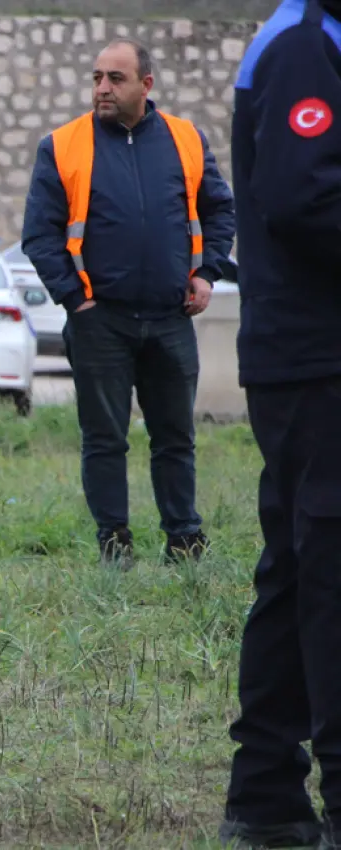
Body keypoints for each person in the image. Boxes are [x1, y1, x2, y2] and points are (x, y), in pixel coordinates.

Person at [20, 37, 236, 569]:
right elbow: (39, 236)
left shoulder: (186, 140)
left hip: (170, 317)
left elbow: (220, 211)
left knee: (175, 439)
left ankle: (184, 542)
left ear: (146, 85)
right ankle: (114, 545)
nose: (102, 88)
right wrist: (74, 298)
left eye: (115, 78)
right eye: (96, 77)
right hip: (101, 321)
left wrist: (207, 272)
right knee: (104, 440)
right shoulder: (63, 145)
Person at [221, 2, 341, 846]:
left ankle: (265, 796)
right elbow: (305, 194)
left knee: (300, 571)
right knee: (330, 576)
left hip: (303, 356)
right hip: (318, 357)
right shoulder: (306, 46)